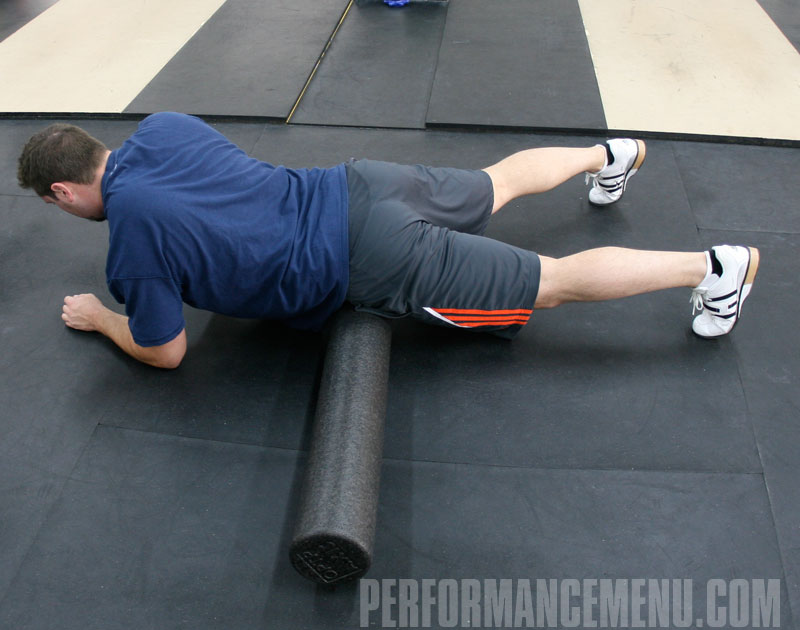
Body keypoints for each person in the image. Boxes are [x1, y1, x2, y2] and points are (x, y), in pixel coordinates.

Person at [17, 112, 759, 370]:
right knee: (498, 181)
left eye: (56, 206)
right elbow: (215, 200)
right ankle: (610, 154)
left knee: (552, 280)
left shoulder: (133, 244)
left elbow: (166, 350)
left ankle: (715, 268)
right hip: (360, 183)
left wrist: (104, 317)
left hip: (369, 257)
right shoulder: (165, 127)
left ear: (62, 192)